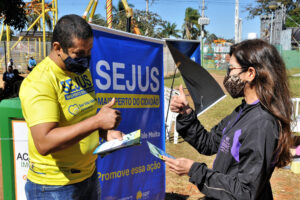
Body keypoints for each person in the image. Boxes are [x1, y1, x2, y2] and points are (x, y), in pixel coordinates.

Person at [164, 39, 293, 200]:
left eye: (231, 68)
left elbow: (246, 192)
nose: (228, 74)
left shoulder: (262, 124)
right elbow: (209, 143)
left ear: (250, 73)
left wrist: (194, 170)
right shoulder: (243, 110)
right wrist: (186, 113)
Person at [19, 14, 122, 200]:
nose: (86, 59)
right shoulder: (40, 82)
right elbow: (44, 142)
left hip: (88, 176)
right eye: (79, 54)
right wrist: (97, 121)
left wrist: (103, 132)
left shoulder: (80, 72)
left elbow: (80, 120)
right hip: (54, 187)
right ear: (57, 48)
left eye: (89, 52)